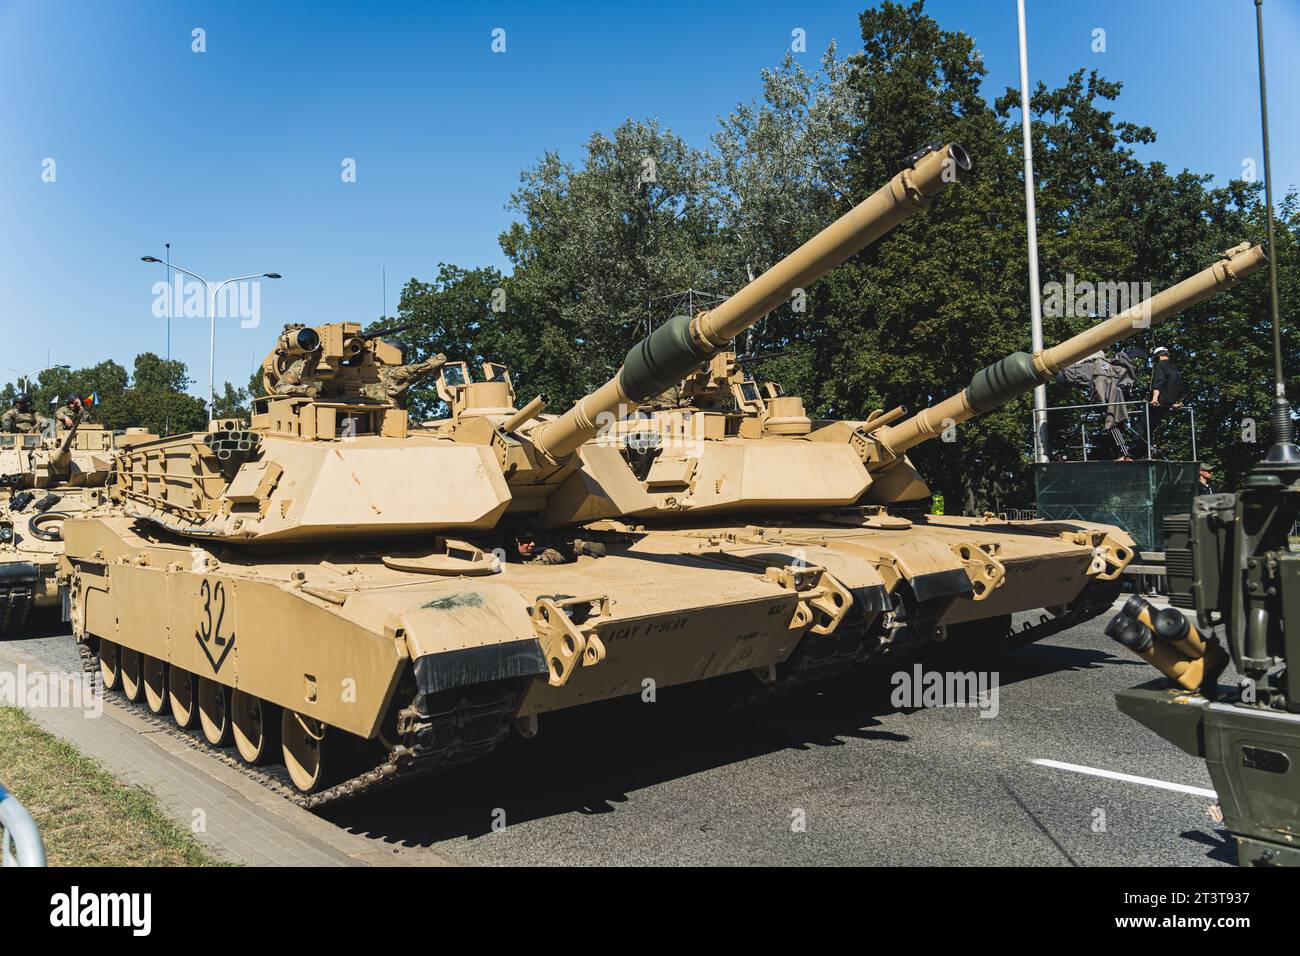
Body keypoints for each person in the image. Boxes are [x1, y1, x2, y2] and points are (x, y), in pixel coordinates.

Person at [362, 353, 447, 409]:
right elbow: (417, 370)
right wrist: (440, 359)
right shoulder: (394, 372)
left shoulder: (372, 372)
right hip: (392, 417)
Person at [1147, 346, 1183, 452]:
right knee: (1153, 426)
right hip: (1169, 403)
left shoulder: (1160, 365)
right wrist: (1176, 402)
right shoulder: (1174, 367)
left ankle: (1132, 453)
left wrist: (1154, 398)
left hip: (1159, 402)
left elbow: (1158, 382)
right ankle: (1145, 451)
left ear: (1158, 356)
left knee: (1144, 426)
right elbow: (1177, 386)